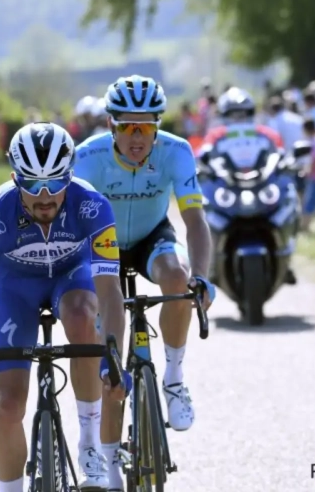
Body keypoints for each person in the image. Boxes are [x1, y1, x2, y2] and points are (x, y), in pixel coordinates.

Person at [0, 122, 130, 492]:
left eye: (55, 182)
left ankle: (89, 444)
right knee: (7, 406)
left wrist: (113, 359)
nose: (45, 195)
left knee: (84, 315)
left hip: (72, 278)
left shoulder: (93, 206)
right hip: (13, 291)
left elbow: (111, 292)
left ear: (70, 176)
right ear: (14, 177)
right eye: (32, 184)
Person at [73, 75, 215, 491]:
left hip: (153, 236)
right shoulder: (87, 157)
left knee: (177, 277)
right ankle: (112, 470)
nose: (137, 137)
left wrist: (202, 279)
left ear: (157, 126)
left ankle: (173, 378)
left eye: (146, 127)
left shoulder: (176, 150)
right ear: (111, 126)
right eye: (127, 127)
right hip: (104, 248)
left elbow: (194, 220)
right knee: (112, 361)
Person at [201, 87, 296, 283]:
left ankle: (287, 259)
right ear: (225, 114)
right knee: (207, 215)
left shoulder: (266, 133)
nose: (238, 117)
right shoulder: (215, 135)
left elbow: (280, 154)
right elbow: (202, 155)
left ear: (251, 112)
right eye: (234, 113)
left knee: (290, 202)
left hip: (261, 186)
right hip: (229, 187)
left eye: (243, 113)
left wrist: (289, 163)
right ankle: (210, 267)